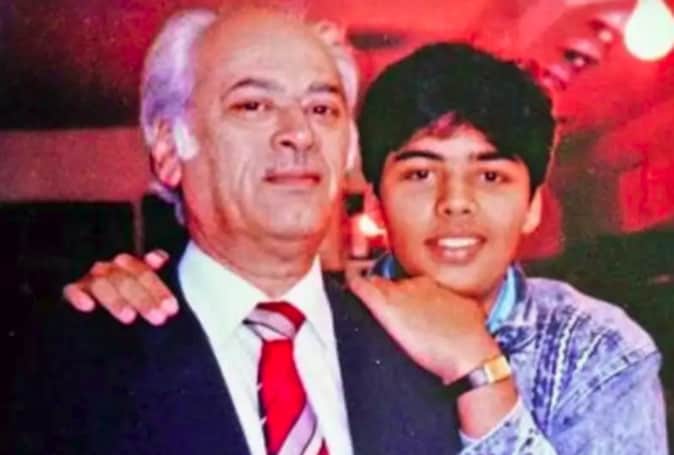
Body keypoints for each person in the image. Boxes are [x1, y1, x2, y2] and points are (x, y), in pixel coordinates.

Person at [61, 41, 669, 453]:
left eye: (491, 175)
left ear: (533, 203)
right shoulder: (314, 326)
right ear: (374, 204)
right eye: (421, 173)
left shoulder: (597, 347)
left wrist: (478, 366)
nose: (455, 203)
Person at [9, 6, 467, 455]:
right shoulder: (71, 365)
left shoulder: (416, 349)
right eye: (253, 105)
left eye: (322, 108)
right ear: (168, 149)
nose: (300, 133)